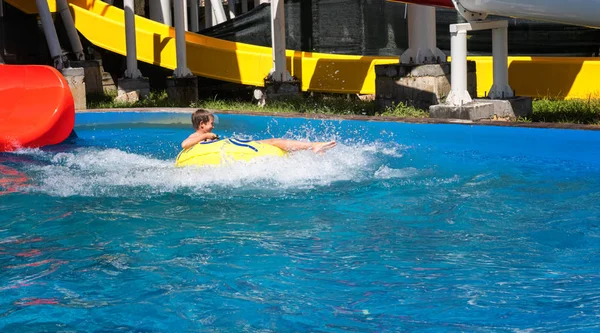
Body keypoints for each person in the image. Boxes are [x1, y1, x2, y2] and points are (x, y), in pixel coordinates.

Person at [181, 109, 337, 153]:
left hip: (235, 147)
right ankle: (312, 146)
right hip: (234, 150)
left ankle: (312, 146)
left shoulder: (205, 135)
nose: (213, 127)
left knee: (274, 142)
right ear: (202, 124)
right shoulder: (196, 136)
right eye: (211, 124)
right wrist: (207, 135)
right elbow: (184, 144)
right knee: (274, 142)